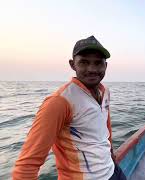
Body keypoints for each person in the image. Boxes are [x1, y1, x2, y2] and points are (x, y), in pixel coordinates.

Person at [12, 36, 126, 180]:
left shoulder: (105, 92)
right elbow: (26, 165)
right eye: (84, 62)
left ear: (106, 66)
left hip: (112, 170)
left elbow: (105, 127)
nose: (92, 69)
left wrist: (111, 154)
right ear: (73, 65)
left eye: (98, 63)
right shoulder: (60, 102)